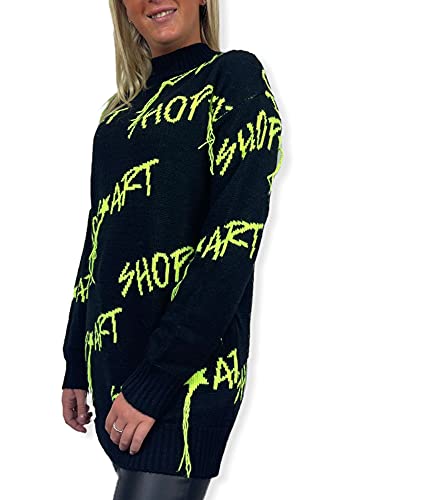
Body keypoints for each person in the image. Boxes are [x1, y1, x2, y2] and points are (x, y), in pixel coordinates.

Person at [61, 0, 284, 498]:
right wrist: (76, 358)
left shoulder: (233, 79)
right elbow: (98, 239)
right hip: (116, 376)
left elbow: (231, 247)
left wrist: (156, 380)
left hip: (188, 378)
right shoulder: (117, 118)